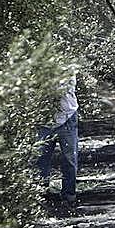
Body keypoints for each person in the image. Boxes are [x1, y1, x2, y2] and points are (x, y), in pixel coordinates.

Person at [38, 70, 78, 207]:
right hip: (43, 120)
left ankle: (69, 196)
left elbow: (61, 87)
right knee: (40, 159)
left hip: (67, 117)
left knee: (69, 160)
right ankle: (41, 196)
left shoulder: (68, 62)